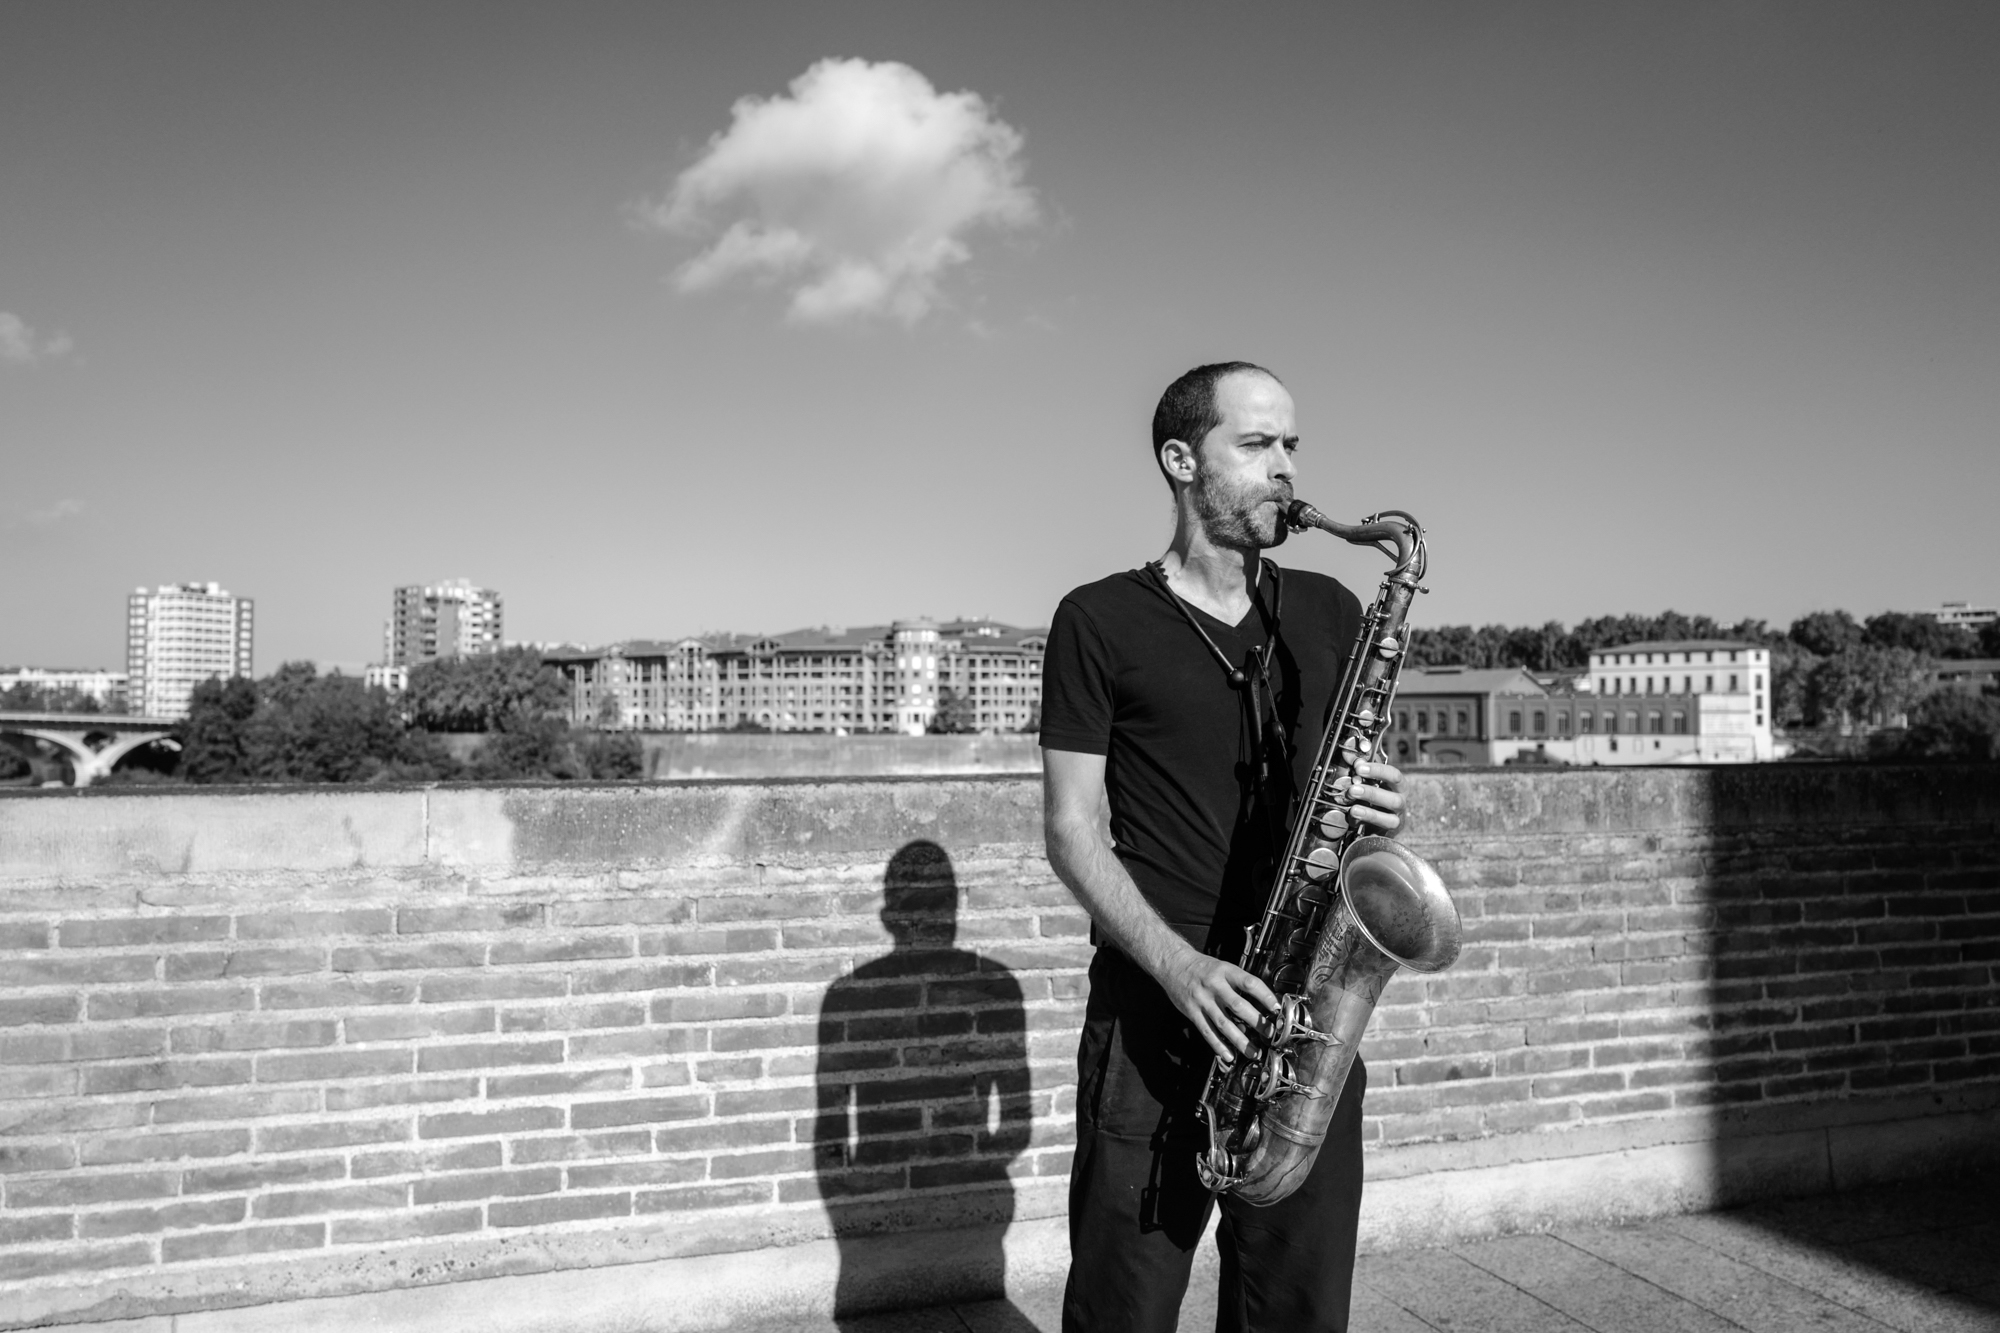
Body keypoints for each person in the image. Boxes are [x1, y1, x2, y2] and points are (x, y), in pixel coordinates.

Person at [1038, 362, 1406, 1333]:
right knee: (1122, 1309)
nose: (1285, 468)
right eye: (1256, 444)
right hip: (1156, 1014)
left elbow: (1355, 797)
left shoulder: (1330, 611)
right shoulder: (1097, 619)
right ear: (1180, 459)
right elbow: (1070, 830)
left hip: (1303, 1015)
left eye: (1291, 444)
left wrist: (1382, 808)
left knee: (1298, 1312)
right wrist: (1180, 967)